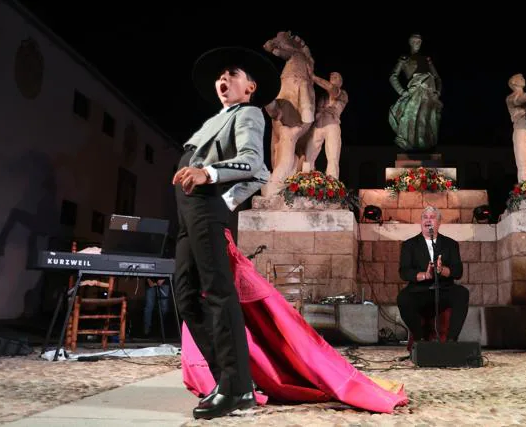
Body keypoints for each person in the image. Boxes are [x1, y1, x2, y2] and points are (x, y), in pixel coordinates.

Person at [181, 228, 409, 413]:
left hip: (206, 227)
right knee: (189, 297)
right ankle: (227, 382)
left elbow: (250, 174)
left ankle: (231, 385)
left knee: (210, 303)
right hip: (193, 229)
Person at [170, 45, 280, 420]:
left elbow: (254, 163)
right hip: (188, 208)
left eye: (232, 74)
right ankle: (229, 381)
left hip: (203, 203)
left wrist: (211, 178)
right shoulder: (217, 119)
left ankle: (237, 388)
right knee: (185, 294)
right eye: (220, 76)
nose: (223, 80)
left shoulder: (249, 112)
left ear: (250, 87)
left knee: (218, 291)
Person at [397, 206, 469, 344]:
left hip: (443, 289)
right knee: (403, 298)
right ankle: (420, 339)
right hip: (419, 291)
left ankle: (451, 341)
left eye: (432, 217)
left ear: (439, 222)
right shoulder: (409, 245)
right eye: (425, 217)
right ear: (420, 222)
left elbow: (458, 271)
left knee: (462, 293)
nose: (428, 220)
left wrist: (442, 270)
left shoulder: (451, 244)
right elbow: (404, 272)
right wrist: (425, 275)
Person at [389, 34, 443, 152]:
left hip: (429, 92)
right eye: (414, 41)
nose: (417, 43)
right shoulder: (404, 59)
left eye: (419, 41)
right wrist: (402, 92)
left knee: (429, 121)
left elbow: (438, 78)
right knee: (411, 119)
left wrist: (437, 93)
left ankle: (426, 148)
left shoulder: (427, 60)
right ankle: (412, 147)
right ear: (410, 43)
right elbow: (393, 77)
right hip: (414, 92)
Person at [304, 71, 348, 179]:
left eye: (336, 76)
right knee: (308, 155)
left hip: (332, 125)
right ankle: (304, 182)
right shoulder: (323, 96)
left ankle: (332, 185)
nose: (332, 76)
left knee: (332, 157)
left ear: (340, 82)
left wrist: (314, 77)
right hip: (318, 125)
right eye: (331, 75)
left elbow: (332, 90)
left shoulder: (342, 93)